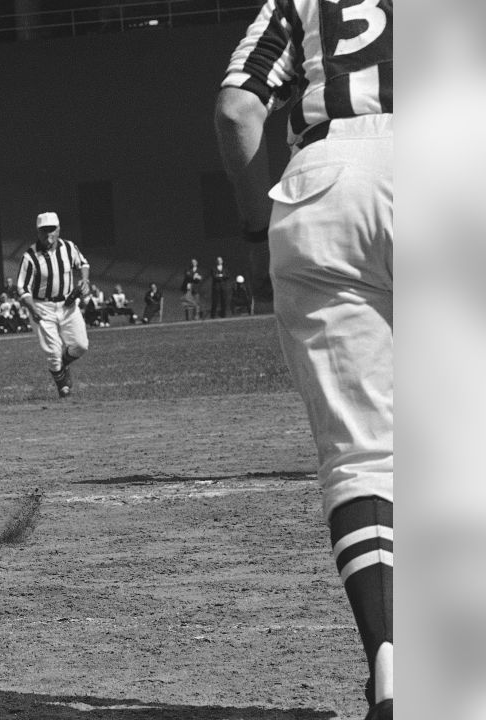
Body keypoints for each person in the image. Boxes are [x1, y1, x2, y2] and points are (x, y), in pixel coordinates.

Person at [215, 1, 392, 718]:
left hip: (324, 183)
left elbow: (236, 111)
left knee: (364, 457)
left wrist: (257, 226)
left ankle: (393, 663)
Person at [16, 212, 89, 397]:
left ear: (58, 230)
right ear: (38, 232)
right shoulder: (30, 257)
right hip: (42, 307)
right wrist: (32, 309)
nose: (48, 235)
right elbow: (22, 287)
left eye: (52, 230)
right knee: (53, 352)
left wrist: (85, 281)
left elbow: (83, 263)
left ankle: (63, 366)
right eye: (44, 231)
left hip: (67, 304)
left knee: (81, 345)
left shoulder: (69, 247)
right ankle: (63, 388)